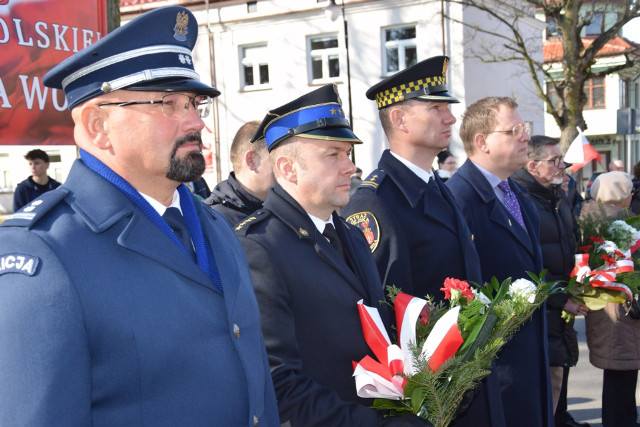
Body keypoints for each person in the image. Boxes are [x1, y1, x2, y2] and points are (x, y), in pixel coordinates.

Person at [0, 7, 279, 426]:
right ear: (98, 125)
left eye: (194, 103)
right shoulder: (45, 253)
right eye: (168, 103)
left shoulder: (215, 227)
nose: (196, 122)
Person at [236, 84, 428, 427]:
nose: (350, 167)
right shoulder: (259, 247)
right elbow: (279, 383)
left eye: (348, 153)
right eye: (333, 155)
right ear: (288, 168)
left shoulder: (349, 234)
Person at [342, 56, 494, 427]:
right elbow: (383, 313)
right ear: (399, 119)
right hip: (426, 395)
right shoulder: (376, 202)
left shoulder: (436, 187)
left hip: (462, 381)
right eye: (436, 108)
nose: (450, 118)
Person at [446, 96, 553, 427]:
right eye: (513, 131)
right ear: (482, 142)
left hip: (529, 364)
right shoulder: (459, 199)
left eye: (525, 129)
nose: (525, 137)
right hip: (495, 377)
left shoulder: (516, 193)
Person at [511, 135, 589, 427]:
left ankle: (559, 419)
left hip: (560, 300)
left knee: (560, 368)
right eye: (554, 161)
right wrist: (559, 298)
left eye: (562, 160)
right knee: (548, 377)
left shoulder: (555, 195)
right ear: (532, 166)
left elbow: (567, 243)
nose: (562, 166)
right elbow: (526, 263)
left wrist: (580, 282)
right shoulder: (521, 200)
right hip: (540, 307)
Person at [580, 171, 640, 427]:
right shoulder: (620, 224)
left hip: (603, 306)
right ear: (623, 195)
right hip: (619, 307)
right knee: (621, 375)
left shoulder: (587, 218)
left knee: (618, 373)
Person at [205, 120, 274, 224]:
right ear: (251, 161)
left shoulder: (278, 207)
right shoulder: (213, 219)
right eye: (276, 159)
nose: (286, 168)